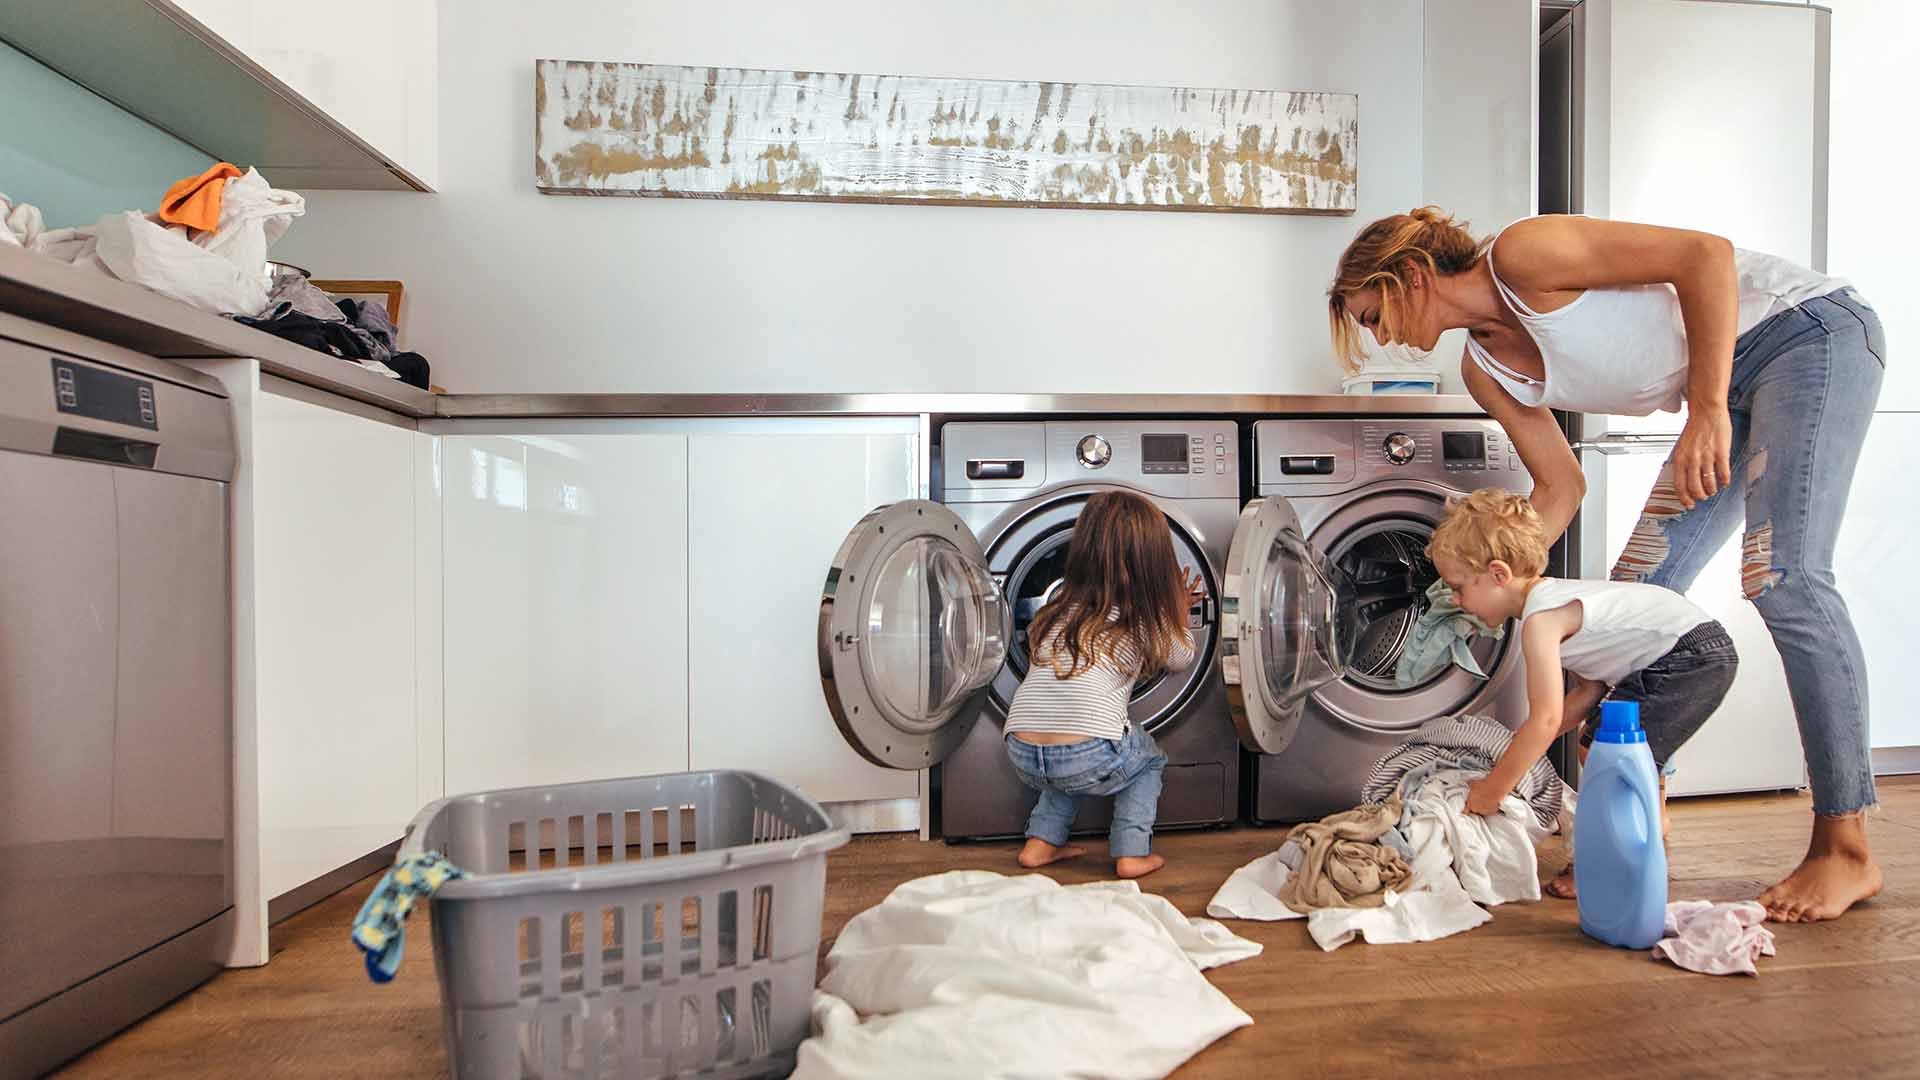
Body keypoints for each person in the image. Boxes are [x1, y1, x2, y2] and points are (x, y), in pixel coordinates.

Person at [1326, 207, 1886, 921]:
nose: (1379, 338)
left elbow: (1704, 254)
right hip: (1729, 386)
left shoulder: (1525, 255)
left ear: (1410, 275)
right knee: (1630, 603)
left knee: (1785, 578)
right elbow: (1561, 489)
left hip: (1805, 336)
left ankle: (1846, 845)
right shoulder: (1484, 369)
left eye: (1374, 316)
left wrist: (1707, 409)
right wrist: (1481, 580)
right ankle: (1638, 818)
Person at [1428, 489, 1738, 897]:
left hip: (1687, 655)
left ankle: (1614, 855)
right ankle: (1643, 834)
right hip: (1690, 650)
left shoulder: (1542, 620)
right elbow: (1588, 693)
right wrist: (1515, 749)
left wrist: (1492, 789)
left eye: (1459, 587)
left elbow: (1546, 719)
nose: (1455, 600)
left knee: (1605, 749)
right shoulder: (1552, 602)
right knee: (1607, 745)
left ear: (1498, 575)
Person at [1003, 490, 1203, 880]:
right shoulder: (1144, 617)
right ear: (1155, 564)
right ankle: (1132, 853)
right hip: (1086, 752)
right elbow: (1181, 657)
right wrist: (1177, 612)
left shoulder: (1059, 608)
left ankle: (1039, 844)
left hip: (1021, 749)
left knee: (1067, 745)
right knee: (1148, 760)